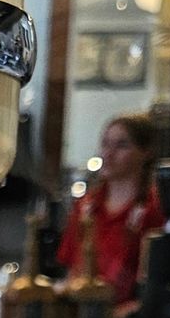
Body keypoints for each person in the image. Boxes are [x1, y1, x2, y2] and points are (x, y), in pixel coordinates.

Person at [57, 113, 164, 307]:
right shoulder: (86, 206)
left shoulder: (153, 208)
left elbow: (159, 281)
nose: (108, 153)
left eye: (121, 145)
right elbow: (71, 269)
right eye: (105, 144)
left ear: (146, 152)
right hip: (82, 312)